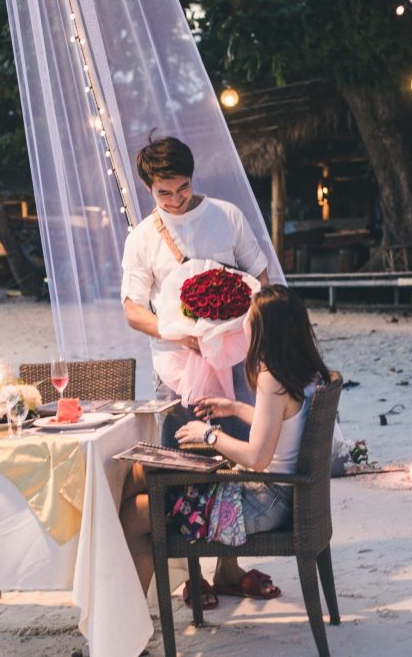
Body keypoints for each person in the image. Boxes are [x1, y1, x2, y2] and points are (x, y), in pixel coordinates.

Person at [121, 134, 273, 607]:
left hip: (234, 362)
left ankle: (228, 567)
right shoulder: (142, 236)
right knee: (183, 466)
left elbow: (262, 281)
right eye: (163, 192)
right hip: (176, 368)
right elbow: (131, 309)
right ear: (149, 188)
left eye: (181, 188)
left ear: (193, 177)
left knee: (234, 459)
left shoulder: (225, 215)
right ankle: (193, 574)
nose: (174, 199)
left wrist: (230, 319)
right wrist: (177, 332)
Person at [120, 285, 331, 606]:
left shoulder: (272, 379)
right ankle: (125, 615)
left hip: (260, 503)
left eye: (250, 315)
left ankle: (124, 622)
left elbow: (258, 458)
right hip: (278, 497)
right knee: (142, 476)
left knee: (134, 512)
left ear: (264, 328)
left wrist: (209, 435)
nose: (244, 321)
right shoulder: (303, 373)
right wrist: (234, 409)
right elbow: (282, 424)